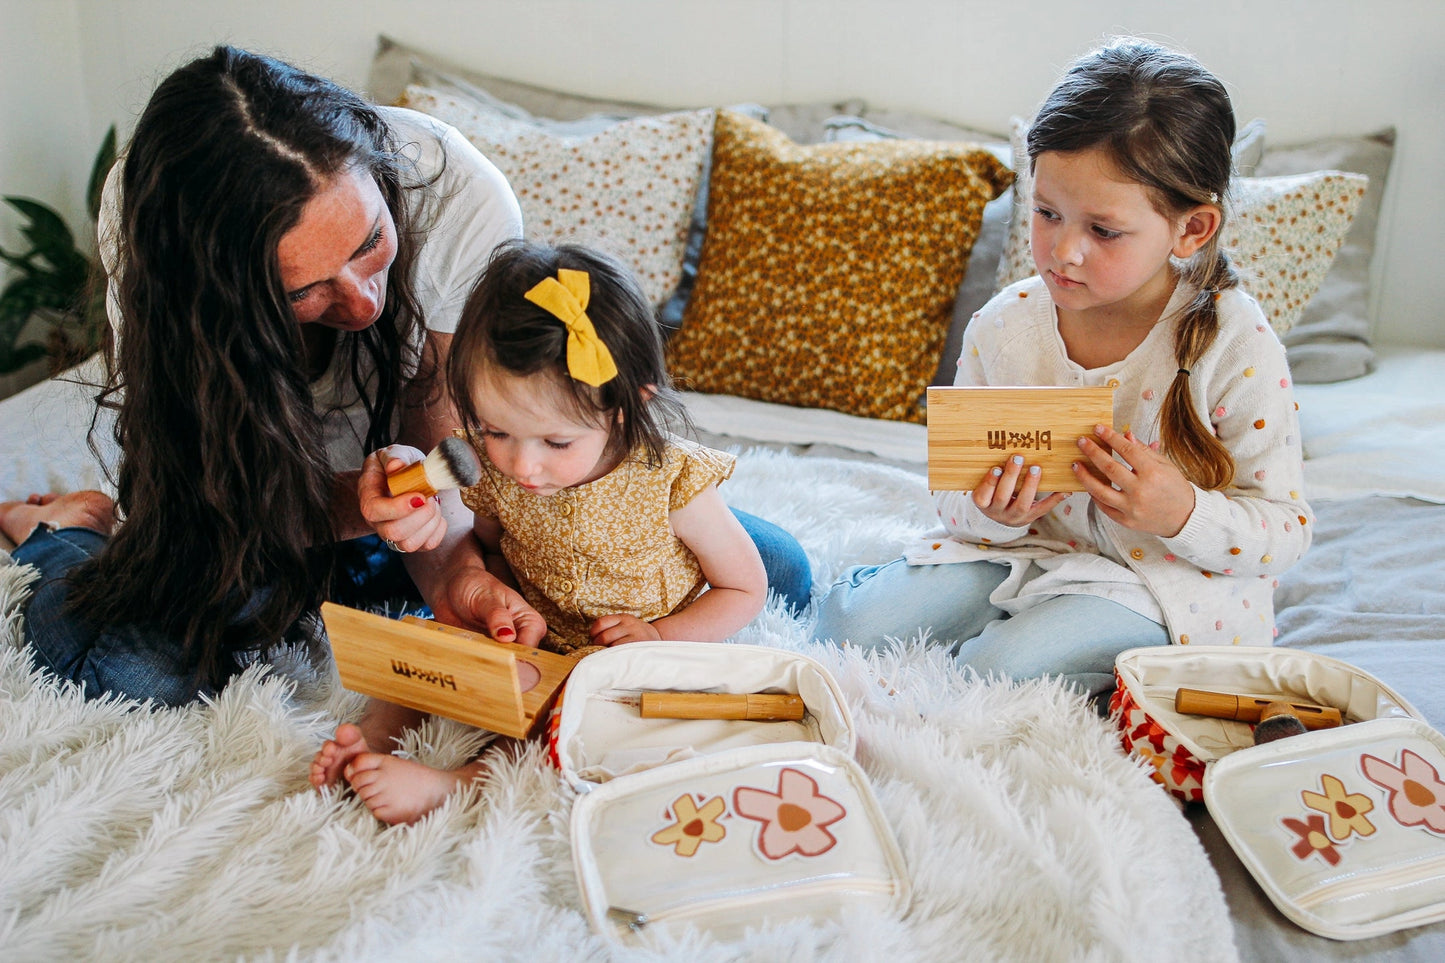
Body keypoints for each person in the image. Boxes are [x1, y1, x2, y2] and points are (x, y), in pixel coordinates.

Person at [0, 45, 813, 709]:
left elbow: (457, 463)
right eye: (302, 291)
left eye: (370, 243)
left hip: (420, 515)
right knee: (140, 673)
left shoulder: (454, 191)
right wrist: (365, 506)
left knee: (773, 571)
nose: (360, 301)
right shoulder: (153, 233)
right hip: (262, 508)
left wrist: (458, 574)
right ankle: (64, 532)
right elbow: (224, 495)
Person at [812, 39, 1313, 701]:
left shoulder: (1233, 342)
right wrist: (993, 514)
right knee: (849, 624)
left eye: (1103, 230)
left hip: (1163, 580)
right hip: (1024, 553)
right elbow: (953, 497)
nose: (1063, 252)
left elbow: (1284, 531)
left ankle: (1060, 649)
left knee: (999, 671)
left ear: (1190, 230)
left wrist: (1180, 510)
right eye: (1047, 213)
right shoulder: (1005, 324)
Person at [310, 240, 768, 823]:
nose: (524, 466)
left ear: (626, 407)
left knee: (570, 713)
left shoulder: (672, 480)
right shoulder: (495, 472)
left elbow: (744, 590)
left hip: (625, 658)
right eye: (497, 431)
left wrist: (658, 636)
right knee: (428, 646)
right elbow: (491, 548)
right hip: (532, 636)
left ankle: (460, 785)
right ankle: (371, 739)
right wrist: (491, 593)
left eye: (556, 442)